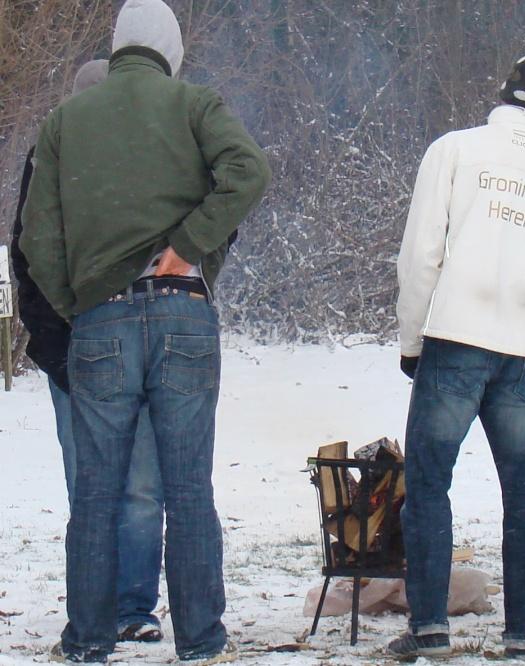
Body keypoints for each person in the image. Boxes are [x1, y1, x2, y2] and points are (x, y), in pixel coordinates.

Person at [20, 0, 271, 662]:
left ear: (118, 43)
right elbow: (248, 172)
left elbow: (35, 236)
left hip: (101, 319)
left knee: (96, 493)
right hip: (184, 312)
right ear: (172, 49)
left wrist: (82, 302)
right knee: (188, 488)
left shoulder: (66, 121)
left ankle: (87, 640)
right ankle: (201, 639)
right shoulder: (196, 105)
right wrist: (189, 246)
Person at [389, 54, 525, 660]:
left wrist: (411, 339)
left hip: (455, 337)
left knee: (427, 485)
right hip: (524, 349)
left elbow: (420, 255)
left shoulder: (455, 149)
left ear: (501, 96)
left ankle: (429, 629)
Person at [10, 59, 166, 645]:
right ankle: (102, 607)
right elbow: (28, 255)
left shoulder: (154, 157)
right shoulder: (49, 158)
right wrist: (54, 348)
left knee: (139, 484)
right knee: (95, 485)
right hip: (75, 349)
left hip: (141, 342)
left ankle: (134, 604)